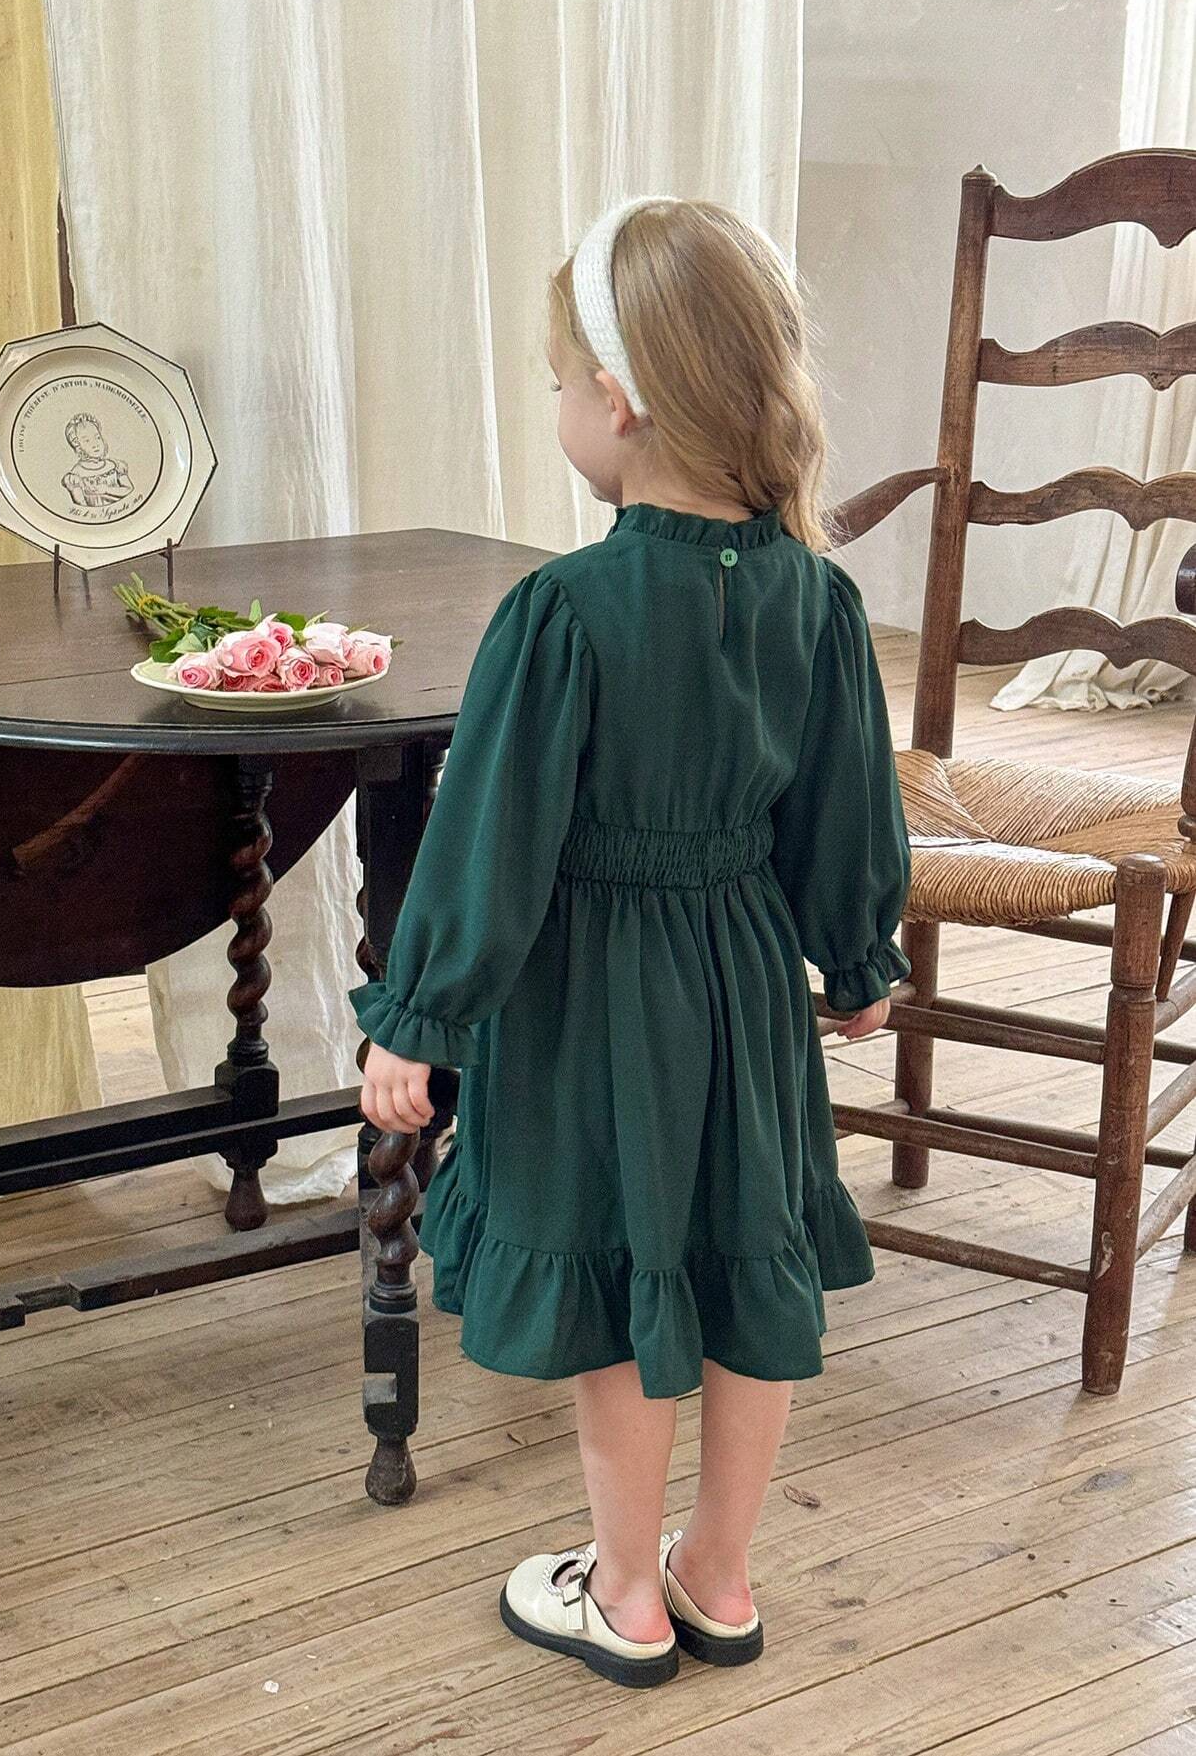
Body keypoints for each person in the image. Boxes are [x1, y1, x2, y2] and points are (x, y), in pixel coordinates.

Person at [352, 197, 910, 1689]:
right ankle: (717, 1575)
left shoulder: (563, 611)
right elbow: (846, 801)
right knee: (742, 1267)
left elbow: (492, 838)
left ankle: (622, 1592)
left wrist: (418, 1014)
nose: (556, 408)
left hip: (597, 1003)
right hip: (746, 989)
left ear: (618, 398)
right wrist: (857, 957)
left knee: (622, 1277)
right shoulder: (818, 596)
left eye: (555, 382)